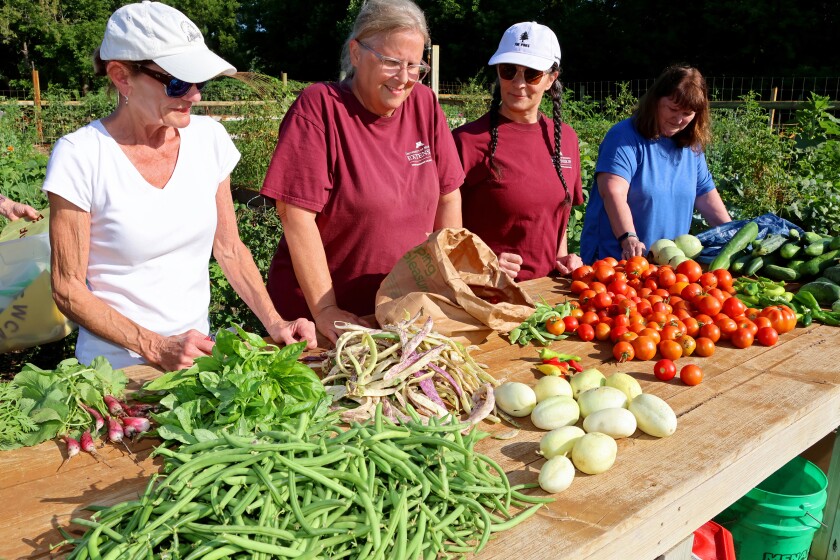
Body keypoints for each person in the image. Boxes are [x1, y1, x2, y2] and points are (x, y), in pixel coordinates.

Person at [44, 1, 316, 371]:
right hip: (115, 371)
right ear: (122, 76)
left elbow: (230, 248)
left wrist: (275, 322)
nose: (195, 96)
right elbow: (68, 287)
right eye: (177, 83)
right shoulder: (81, 155)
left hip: (194, 359)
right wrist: (155, 347)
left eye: (199, 82)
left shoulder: (209, 140)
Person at [260, 0, 464, 343]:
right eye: (391, 62)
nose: (404, 78)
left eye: (414, 66)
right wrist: (325, 310)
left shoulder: (425, 105)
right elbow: (295, 215)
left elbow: (448, 196)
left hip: (400, 314)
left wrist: (448, 280)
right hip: (322, 319)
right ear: (355, 53)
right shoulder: (320, 107)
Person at [453, 22, 584, 281]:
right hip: (487, 297)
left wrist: (563, 259)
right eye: (508, 70)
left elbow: (558, 220)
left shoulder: (566, 139)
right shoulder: (466, 141)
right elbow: (440, 232)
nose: (518, 83)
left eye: (532, 73)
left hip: (546, 294)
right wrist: (480, 263)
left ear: (551, 79)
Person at [580, 64, 731, 263]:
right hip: (616, 262)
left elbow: (706, 196)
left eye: (688, 113)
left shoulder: (691, 148)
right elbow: (613, 192)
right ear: (655, 101)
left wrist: (735, 235)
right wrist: (628, 238)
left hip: (665, 265)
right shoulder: (624, 137)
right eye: (673, 109)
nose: (679, 120)